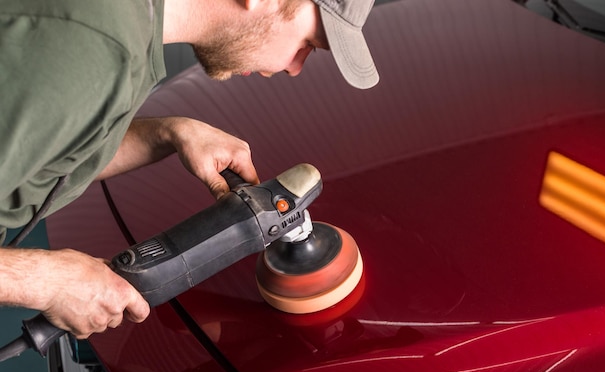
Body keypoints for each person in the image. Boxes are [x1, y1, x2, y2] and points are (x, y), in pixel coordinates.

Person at [0, 0, 378, 340]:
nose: (294, 68)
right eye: (308, 43)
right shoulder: (93, 47)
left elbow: (44, 145)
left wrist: (166, 134)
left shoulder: (116, 30)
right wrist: (48, 282)